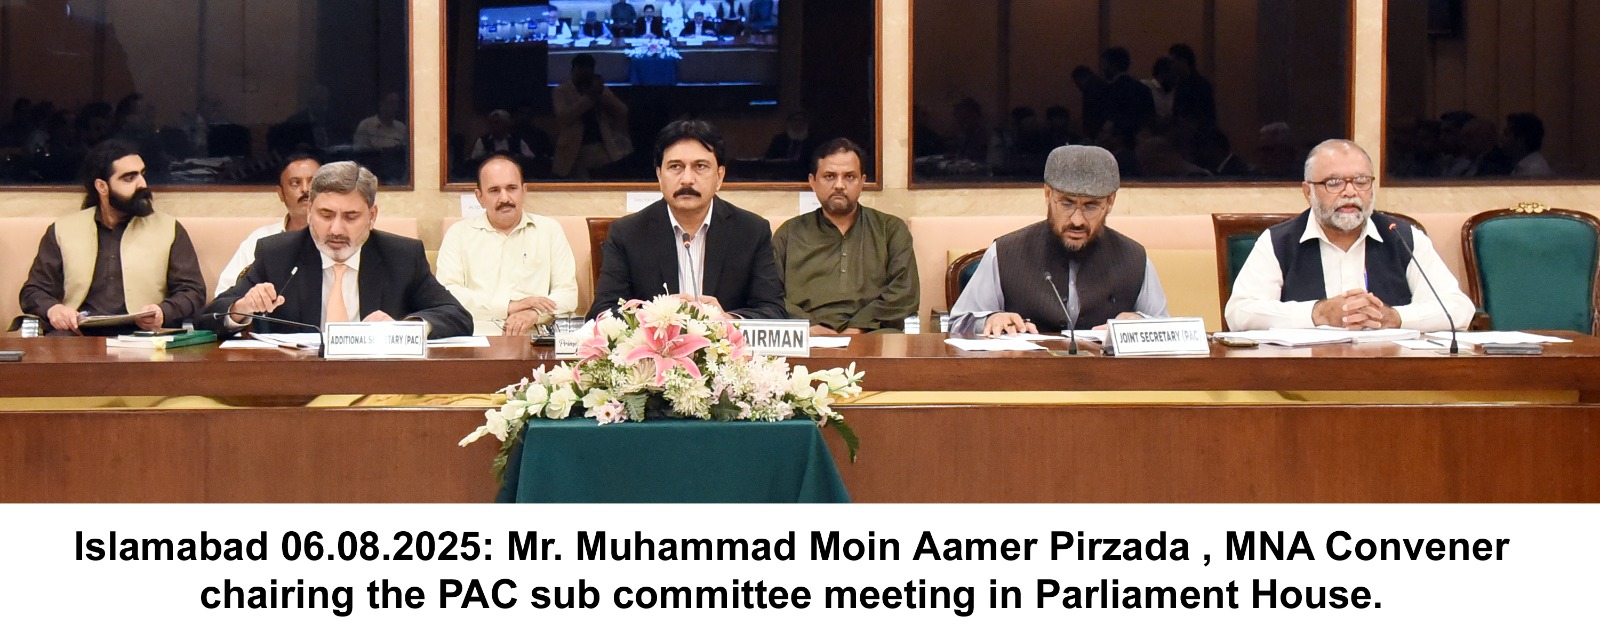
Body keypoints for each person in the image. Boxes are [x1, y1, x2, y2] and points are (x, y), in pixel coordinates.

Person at [1224, 139, 1473, 332]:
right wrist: (1318, 314)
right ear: (1308, 191)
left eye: (1361, 181)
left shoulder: (1402, 237)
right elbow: (1239, 313)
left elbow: (1458, 308)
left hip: (1392, 373)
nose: (1350, 192)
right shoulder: (1279, 242)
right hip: (1305, 375)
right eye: (1334, 183)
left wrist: (1395, 318)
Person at [200, 162, 470, 338]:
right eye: (326, 215)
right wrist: (241, 307)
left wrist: (405, 328)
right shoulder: (277, 254)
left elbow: (457, 316)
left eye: (351, 217)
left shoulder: (401, 256)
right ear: (310, 211)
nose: (336, 229)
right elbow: (207, 318)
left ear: (372, 216)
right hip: (296, 384)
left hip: (377, 381)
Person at [950, 145, 1168, 335]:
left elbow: (1168, 332)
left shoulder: (1134, 258)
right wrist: (989, 320)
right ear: (1047, 195)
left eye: (1091, 206)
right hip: (1027, 370)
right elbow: (957, 324)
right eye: (1067, 203)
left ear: (1110, 202)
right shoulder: (1005, 252)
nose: (1077, 220)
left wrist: (1141, 323)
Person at [588, 120, 785, 320]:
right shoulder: (627, 233)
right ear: (659, 176)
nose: (687, 179)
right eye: (675, 167)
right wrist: (656, 319)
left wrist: (728, 321)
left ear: (719, 177)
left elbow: (774, 311)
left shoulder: (751, 231)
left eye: (700, 166)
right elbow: (602, 312)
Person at [19, 140, 206, 335]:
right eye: (129, 178)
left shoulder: (169, 229)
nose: (142, 184)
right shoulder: (63, 230)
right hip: (78, 334)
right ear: (102, 186)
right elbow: (33, 291)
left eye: (142, 174)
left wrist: (163, 312)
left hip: (144, 335)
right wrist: (54, 309)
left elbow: (193, 291)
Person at [773, 138, 918, 335]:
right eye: (829, 176)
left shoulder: (890, 230)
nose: (839, 185)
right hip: (806, 336)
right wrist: (809, 326)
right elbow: (769, 294)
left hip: (873, 335)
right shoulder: (789, 233)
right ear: (812, 181)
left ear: (862, 181)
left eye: (849, 176)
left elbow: (904, 293)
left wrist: (858, 328)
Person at [437, 155, 579, 336]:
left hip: (535, 336)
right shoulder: (459, 234)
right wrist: (508, 307)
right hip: (477, 338)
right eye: (494, 190)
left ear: (524, 191)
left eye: (512, 188)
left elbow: (567, 293)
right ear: (479, 197)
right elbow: (448, 294)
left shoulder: (549, 230)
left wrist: (534, 313)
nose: (504, 198)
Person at [214, 154, 321, 296]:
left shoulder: (338, 238)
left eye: (313, 182)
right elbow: (224, 295)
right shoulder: (261, 240)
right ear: (281, 193)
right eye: (295, 183)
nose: (305, 189)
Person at [553, 54, 633, 178]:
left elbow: (622, 111)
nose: (584, 76)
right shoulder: (561, 91)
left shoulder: (599, 90)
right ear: (573, 70)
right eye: (581, 71)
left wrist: (601, 94)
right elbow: (564, 118)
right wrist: (588, 98)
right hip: (574, 151)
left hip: (601, 146)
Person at [1504, 112, 1553, 178]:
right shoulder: (1523, 167)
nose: (1501, 139)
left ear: (1521, 140)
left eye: (1506, 135)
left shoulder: (1533, 171)